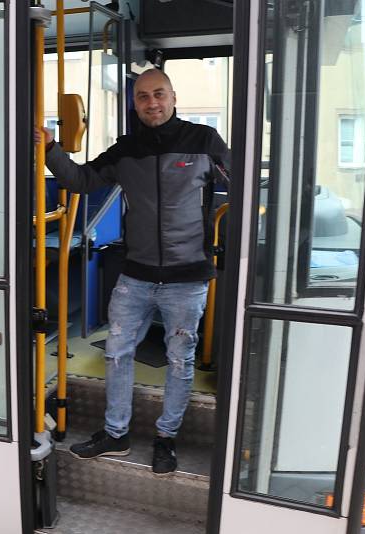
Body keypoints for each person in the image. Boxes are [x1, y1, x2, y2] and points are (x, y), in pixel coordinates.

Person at [37, 68, 230, 474]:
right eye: (142, 97)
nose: (151, 103)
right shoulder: (127, 149)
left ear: (174, 97)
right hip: (136, 275)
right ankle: (116, 434)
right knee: (117, 352)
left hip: (187, 277)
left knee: (180, 361)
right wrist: (52, 148)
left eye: (159, 94)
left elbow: (243, 187)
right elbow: (82, 179)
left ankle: (166, 439)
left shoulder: (204, 141)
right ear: (135, 103)